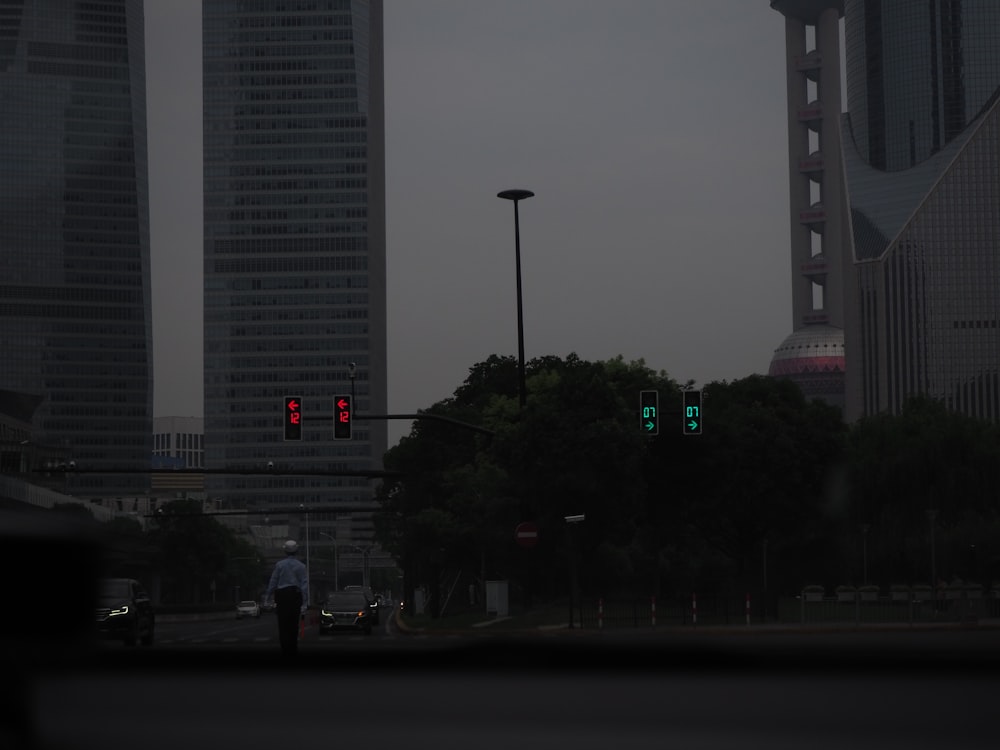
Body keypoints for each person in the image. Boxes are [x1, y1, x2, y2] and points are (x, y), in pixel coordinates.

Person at [264, 539, 309, 658]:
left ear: (285, 551)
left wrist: (267, 597)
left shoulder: (279, 565)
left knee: (283, 625)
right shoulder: (301, 566)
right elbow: (304, 585)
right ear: (297, 551)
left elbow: (273, 582)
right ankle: (293, 650)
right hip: (295, 595)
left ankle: (285, 650)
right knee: (294, 625)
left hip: (282, 596)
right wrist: (304, 604)